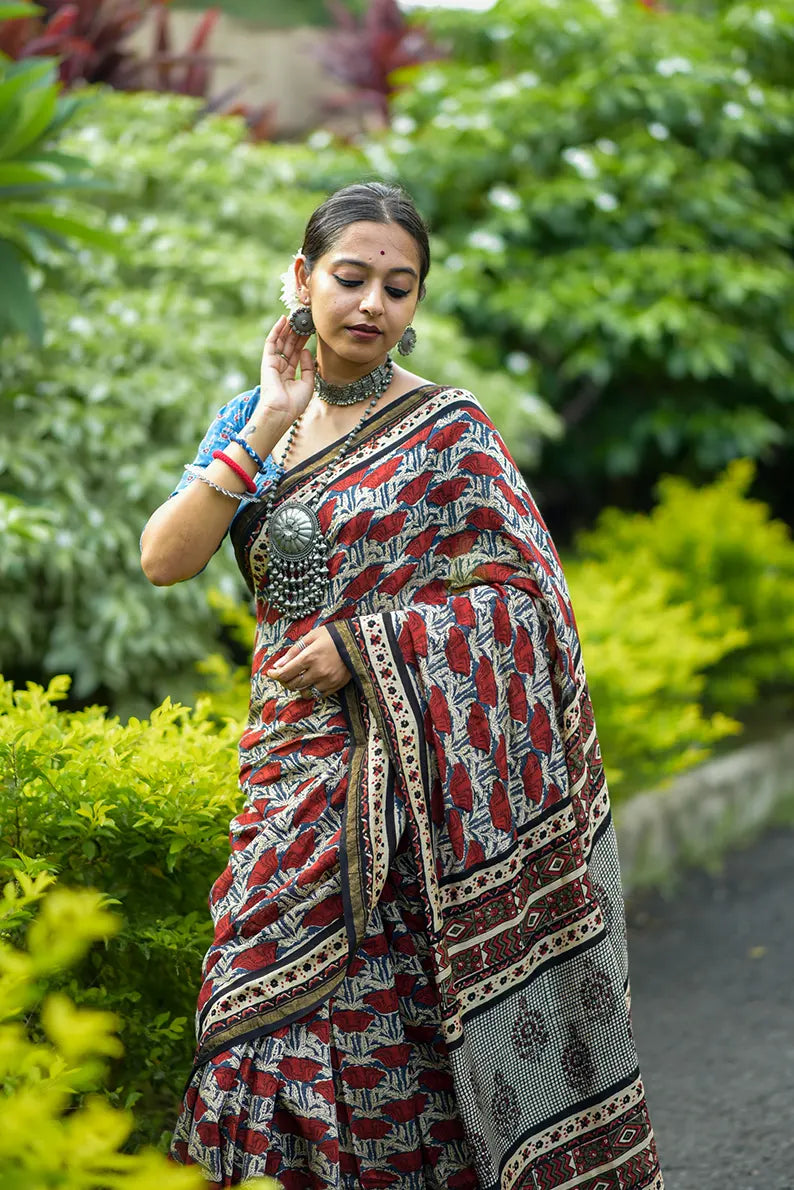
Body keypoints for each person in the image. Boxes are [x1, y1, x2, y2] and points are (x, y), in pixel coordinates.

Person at [141, 181, 664, 1190]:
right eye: (349, 278)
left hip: (409, 792)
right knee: (248, 1013)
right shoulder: (250, 422)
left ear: (416, 303)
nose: (371, 304)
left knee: (392, 1034)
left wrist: (366, 641)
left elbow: (527, 598)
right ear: (301, 279)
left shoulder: (448, 430)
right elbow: (166, 557)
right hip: (286, 779)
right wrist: (268, 419)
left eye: (398, 285)